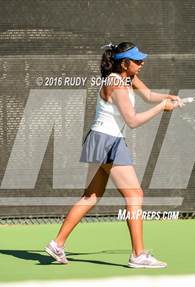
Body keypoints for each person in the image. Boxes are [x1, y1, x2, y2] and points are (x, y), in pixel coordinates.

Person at [45, 42, 183, 268]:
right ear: (124, 62)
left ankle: (57, 244)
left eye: (141, 60)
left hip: (98, 139)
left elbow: (148, 94)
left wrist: (169, 98)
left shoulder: (128, 77)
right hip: (109, 141)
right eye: (137, 60)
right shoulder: (115, 83)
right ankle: (138, 255)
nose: (142, 63)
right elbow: (132, 121)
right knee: (135, 194)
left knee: (91, 196)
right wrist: (161, 109)